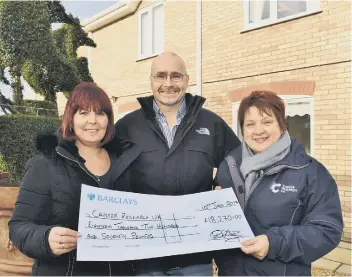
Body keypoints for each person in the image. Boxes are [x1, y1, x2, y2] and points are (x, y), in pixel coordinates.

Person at [114, 52, 241, 275]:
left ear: (187, 79)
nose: (168, 83)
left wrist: (222, 188)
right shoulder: (127, 127)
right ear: (151, 80)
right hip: (144, 257)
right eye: (160, 76)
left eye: (176, 76)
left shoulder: (211, 123)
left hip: (195, 257)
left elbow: (237, 162)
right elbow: (105, 172)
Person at [9, 82, 141, 276]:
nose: (93, 120)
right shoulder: (46, 164)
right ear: (70, 118)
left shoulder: (126, 162)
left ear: (109, 119)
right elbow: (18, 226)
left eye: (100, 113)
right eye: (84, 113)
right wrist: (46, 239)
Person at [214, 90, 343, 276]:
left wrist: (274, 243)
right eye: (250, 124)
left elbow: (327, 230)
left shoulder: (310, 171)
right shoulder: (229, 166)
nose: (258, 131)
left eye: (267, 122)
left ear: (282, 125)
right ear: (242, 129)